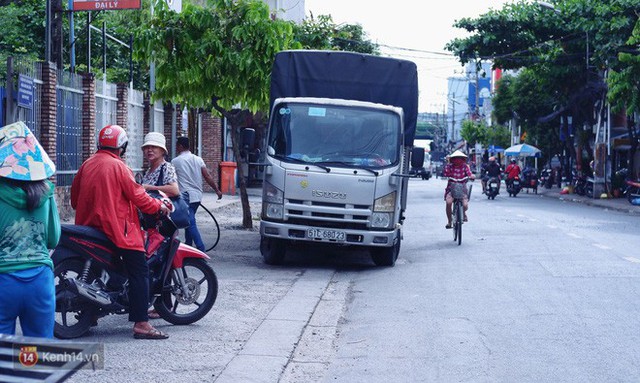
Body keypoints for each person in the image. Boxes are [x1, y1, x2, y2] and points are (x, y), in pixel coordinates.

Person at [71, 125, 172, 340]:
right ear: (122, 147)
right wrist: (158, 207)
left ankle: (92, 313)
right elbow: (140, 198)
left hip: (88, 229)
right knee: (139, 271)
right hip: (117, 231)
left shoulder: (86, 165)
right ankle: (142, 324)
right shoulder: (120, 167)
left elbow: (73, 200)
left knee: (98, 271)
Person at [0, 121, 60, 338]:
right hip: (40, 280)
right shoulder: (46, 193)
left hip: (3, 280)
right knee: (38, 353)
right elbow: (53, 238)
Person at [171, 136, 222, 252]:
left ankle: (200, 248)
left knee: (190, 222)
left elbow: (170, 179)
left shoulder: (175, 161)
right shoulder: (198, 159)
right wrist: (217, 190)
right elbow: (207, 176)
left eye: (177, 145)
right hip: (197, 196)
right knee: (189, 220)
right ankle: (188, 246)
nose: (176, 147)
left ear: (180, 146)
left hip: (185, 196)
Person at [140, 132, 180, 198]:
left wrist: (149, 187)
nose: (149, 150)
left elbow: (175, 190)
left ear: (162, 150)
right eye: (147, 147)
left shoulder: (166, 167)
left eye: (154, 147)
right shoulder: (149, 171)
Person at [443, 150, 475, 229]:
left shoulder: (465, 166)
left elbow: (469, 174)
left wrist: (472, 176)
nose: (458, 160)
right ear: (453, 159)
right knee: (449, 202)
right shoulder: (450, 166)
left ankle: (463, 213)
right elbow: (445, 173)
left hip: (462, 188)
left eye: (460, 158)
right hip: (451, 188)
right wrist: (448, 163)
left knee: (465, 205)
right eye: (456, 158)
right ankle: (449, 221)